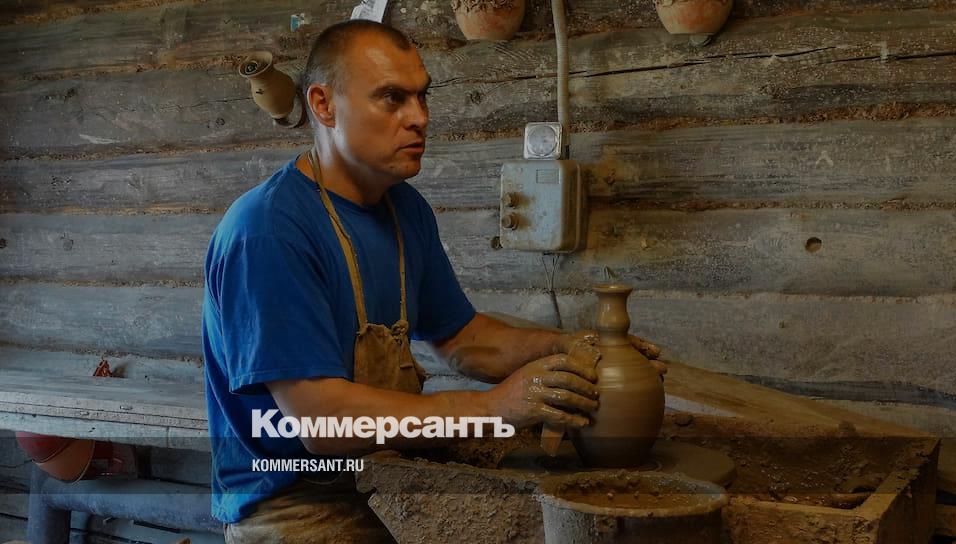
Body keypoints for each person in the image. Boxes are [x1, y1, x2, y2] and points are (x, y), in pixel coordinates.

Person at [202, 20, 662, 543]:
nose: (418, 117)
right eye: (392, 98)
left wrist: (565, 349)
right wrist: (493, 409)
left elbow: (461, 339)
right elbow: (321, 423)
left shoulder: (404, 209)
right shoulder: (268, 231)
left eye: (422, 96)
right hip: (295, 504)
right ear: (323, 105)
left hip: (382, 475)